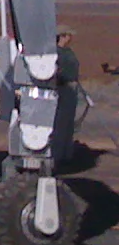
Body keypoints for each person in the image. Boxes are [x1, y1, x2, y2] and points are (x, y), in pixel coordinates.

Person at [51, 23, 80, 166]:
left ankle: (67, 154)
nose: (70, 38)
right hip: (62, 88)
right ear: (62, 36)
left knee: (69, 123)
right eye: (68, 35)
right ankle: (57, 155)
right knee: (60, 123)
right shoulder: (56, 53)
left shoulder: (68, 51)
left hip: (72, 88)